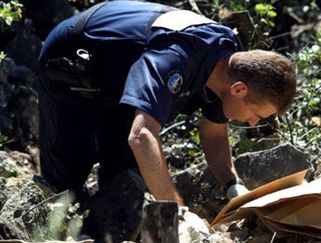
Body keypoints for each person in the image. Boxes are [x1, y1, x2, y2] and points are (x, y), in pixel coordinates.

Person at [37, 0, 297, 206]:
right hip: (72, 57)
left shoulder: (231, 65)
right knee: (63, 190)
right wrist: (175, 208)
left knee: (125, 181)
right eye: (257, 114)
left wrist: (233, 185)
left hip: (120, 80)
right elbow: (141, 136)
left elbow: (215, 133)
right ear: (239, 90)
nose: (253, 122)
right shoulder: (178, 55)